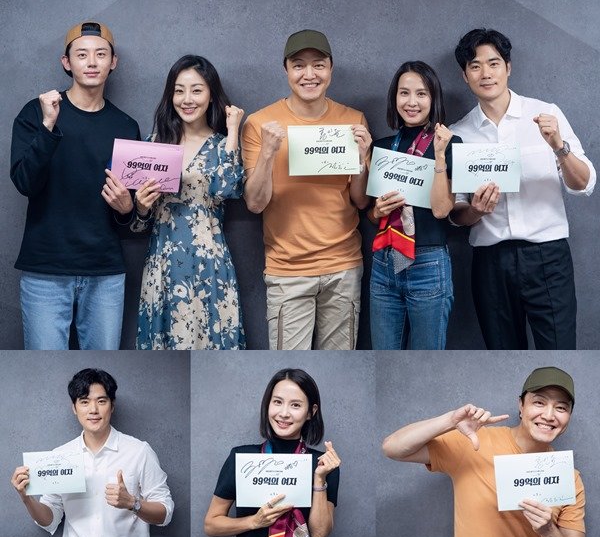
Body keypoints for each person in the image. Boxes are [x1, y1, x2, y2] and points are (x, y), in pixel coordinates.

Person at [449, 28, 596, 350]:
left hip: (548, 257)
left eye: (494, 63)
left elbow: (584, 184)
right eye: (475, 66)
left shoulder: (546, 114)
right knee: (502, 352)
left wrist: (558, 146)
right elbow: (455, 213)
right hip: (490, 262)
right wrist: (475, 211)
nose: (486, 73)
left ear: (508, 67)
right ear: (465, 75)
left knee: (559, 350)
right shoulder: (458, 134)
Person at [10, 20, 140, 350]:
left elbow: (127, 213)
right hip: (45, 270)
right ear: (66, 62)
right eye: (81, 54)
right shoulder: (36, 113)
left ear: (113, 62)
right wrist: (48, 127)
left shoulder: (126, 126)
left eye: (101, 54)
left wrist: (127, 208)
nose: (91, 62)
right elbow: (25, 183)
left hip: (105, 272)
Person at [242, 29, 372, 350]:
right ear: (286, 69)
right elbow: (255, 203)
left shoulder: (353, 120)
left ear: (331, 69)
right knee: (287, 364)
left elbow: (360, 200)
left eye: (319, 65)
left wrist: (362, 158)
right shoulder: (260, 123)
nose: (309, 75)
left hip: (343, 266)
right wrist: (268, 152)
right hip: (288, 270)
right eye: (299, 65)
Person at [382, 365, 585, 537]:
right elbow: (392, 447)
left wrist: (549, 532)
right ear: (521, 406)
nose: (549, 415)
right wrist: (450, 421)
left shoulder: (569, 477)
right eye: (539, 403)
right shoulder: (474, 441)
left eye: (561, 407)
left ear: (568, 416)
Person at [132, 54, 246, 349]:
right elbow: (139, 224)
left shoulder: (222, 144)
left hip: (208, 261)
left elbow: (228, 189)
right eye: (179, 90)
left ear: (211, 95)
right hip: (162, 260)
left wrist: (233, 130)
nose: (187, 99)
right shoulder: (154, 144)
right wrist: (141, 207)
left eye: (196, 90)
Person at [10, 367, 173, 537]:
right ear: (74, 407)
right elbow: (50, 520)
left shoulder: (139, 451)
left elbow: (165, 513)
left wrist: (133, 503)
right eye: (84, 401)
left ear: (112, 405)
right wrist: (27, 498)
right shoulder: (59, 456)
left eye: (101, 401)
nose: (93, 410)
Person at [368, 61, 462, 349]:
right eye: (404, 93)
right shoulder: (383, 147)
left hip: (428, 263)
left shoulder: (450, 143)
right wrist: (378, 211)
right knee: (384, 353)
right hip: (384, 262)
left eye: (421, 94)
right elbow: (372, 215)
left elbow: (442, 210)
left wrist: (439, 156)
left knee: (427, 355)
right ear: (394, 97)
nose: (411, 102)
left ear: (433, 99)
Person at [204, 367, 340, 537]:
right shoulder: (241, 457)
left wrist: (319, 479)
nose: (284, 413)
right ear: (268, 405)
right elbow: (211, 525)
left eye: (295, 405)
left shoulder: (323, 465)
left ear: (311, 412)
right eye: (277, 402)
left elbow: (319, 535)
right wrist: (254, 521)